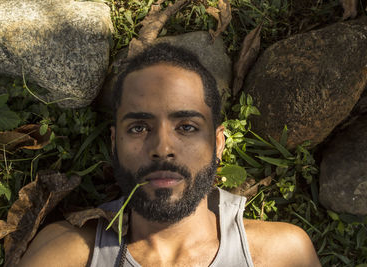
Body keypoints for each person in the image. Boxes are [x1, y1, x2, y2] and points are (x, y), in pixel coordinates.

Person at [19, 43, 321, 267]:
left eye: (187, 127)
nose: (162, 148)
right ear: (114, 144)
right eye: (138, 128)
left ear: (218, 143)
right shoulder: (64, 256)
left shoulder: (281, 255)